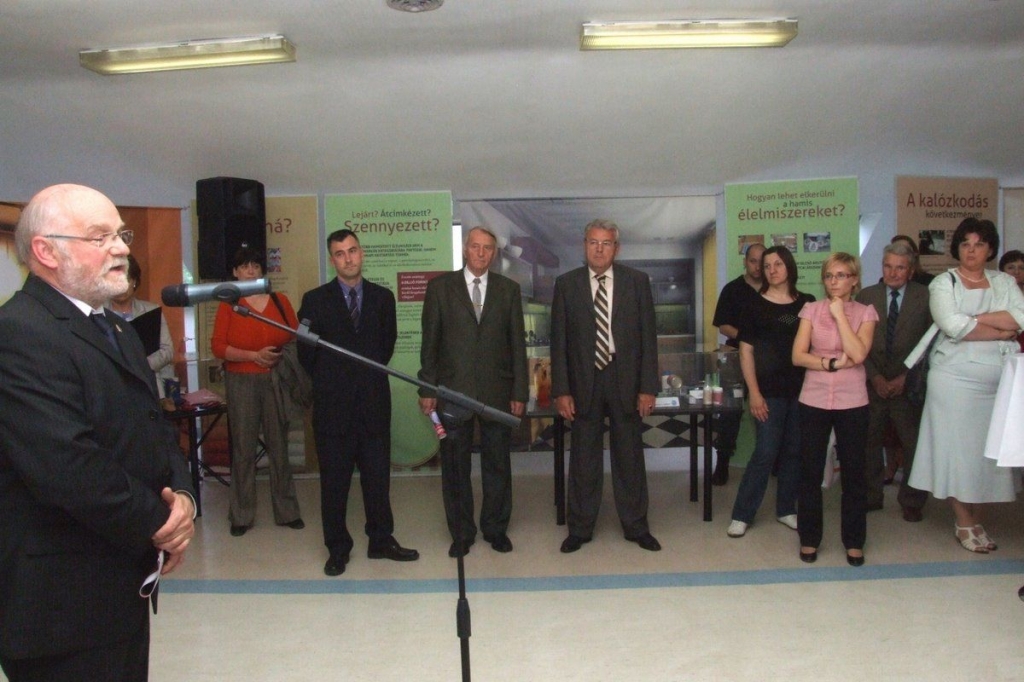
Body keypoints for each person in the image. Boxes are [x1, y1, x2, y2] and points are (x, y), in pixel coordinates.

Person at [0, 184, 195, 681]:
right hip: (60, 607)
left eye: (121, 235)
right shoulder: (18, 332)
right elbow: (67, 465)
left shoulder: (117, 329)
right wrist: (161, 523)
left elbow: (153, 426)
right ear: (46, 251)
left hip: (121, 584)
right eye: (99, 236)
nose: (122, 249)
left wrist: (184, 499)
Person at [298, 229, 419, 576]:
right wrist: (336, 380)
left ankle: (381, 540)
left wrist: (361, 380)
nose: (348, 258)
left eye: (352, 250)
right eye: (340, 253)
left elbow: (386, 346)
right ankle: (337, 548)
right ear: (332, 259)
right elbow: (305, 352)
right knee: (334, 484)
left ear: (361, 253)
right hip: (333, 409)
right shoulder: (314, 300)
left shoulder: (383, 298)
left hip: (373, 405)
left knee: (377, 480)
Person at [909, 218, 1024, 553]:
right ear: (957, 248)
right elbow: (952, 325)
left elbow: (1020, 318)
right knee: (957, 453)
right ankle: (963, 521)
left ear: (990, 249)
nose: (972, 250)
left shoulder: (1004, 281)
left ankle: (977, 519)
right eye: (965, 244)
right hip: (953, 380)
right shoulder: (943, 282)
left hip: (998, 382)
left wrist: (975, 319)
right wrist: (1000, 328)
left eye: (979, 244)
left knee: (987, 456)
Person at [550, 219, 661, 553]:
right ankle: (580, 529)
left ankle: (636, 526)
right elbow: (559, 343)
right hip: (584, 381)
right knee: (584, 458)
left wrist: (648, 387)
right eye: (593, 242)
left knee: (629, 456)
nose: (599, 249)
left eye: (606, 243)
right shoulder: (566, 284)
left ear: (617, 248)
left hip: (625, 377)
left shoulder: (636, 282)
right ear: (584, 245)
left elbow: (648, 338)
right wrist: (562, 390)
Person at [418, 227, 529, 557]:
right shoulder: (440, 288)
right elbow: (430, 344)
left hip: (498, 392)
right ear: (465, 249)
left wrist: (519, 392)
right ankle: (461, 533)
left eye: (488, 248)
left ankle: (495, 529)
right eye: (476, 247)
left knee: (498, 465)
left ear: (494, 253)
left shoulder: (509, 290)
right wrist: (427, 388)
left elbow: (517, 345)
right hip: (453, 392)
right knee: (455, 467)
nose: (481, 253)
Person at [792, 253, 878, 566]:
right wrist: (830, 363)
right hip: (813, 399)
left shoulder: (866, 313)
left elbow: (858, 354)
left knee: (854, 472)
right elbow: (798, 356)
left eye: (841, 275)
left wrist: (840, 315)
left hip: (852, 401)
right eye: (829, 276)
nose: (834, 282)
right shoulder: (810, 310)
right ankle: (809, 538)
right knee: (809, 471)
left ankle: (854, 542)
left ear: (854, 280)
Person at [210, 246, 303, 537]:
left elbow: (296, 336)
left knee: (279, 447)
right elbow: (218, 347)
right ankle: (241, 514)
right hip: (242, 381)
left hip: (276, 379)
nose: (250, 271)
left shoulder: (280, 300)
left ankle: (287, 512)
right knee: (243, 448)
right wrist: (253, 356)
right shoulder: (229, 305)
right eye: (244, 266)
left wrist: (277, 356)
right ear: (235, 273)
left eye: (255, 265)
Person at [726, 246, 814, 538]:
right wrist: (754, 393)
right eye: (766, 266)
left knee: (794, 451)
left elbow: (796, 333)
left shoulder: (806, 303)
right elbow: (746, 351)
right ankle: (742, 515)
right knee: (765, 452)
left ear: (789, 266)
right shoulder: (754, 305)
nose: (772, 270)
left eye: (778, 264)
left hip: (802, 390)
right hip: (768, 392)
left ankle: (786, 509)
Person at [856, 241, 932, 520]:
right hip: (872, 383)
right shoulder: (867, 295)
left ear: (910, 271)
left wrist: (905, 377)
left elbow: (931, 343)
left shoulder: (925, 296)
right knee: (869, 443)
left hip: (908, 385)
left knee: (913, 445)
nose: (893, 272)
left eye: (900, 268)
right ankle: (870, 495)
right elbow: (855, 342)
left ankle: (912, 501)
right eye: (888, 266)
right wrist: (874, 376)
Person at [710, 242, 765, 485]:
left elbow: (787, 321)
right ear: (745, 261)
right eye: (753, 261)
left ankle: (774, 463)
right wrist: (748, 339)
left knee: (769, 411)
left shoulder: (775, 289)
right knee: (729, 413)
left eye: (762, 262)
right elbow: (723, 325)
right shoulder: (732, 290)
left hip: (767, 361)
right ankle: (722, 463)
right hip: (735, 358)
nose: (757, 266)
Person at [109, 255, 175, 396]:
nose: (121, 286)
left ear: (134, 281)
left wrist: (139, 367)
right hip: (112, 386)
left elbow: (167, 350)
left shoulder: (151, 310)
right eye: (115, 280)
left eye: (126, 279)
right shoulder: (97, 313)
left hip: (148, 383)